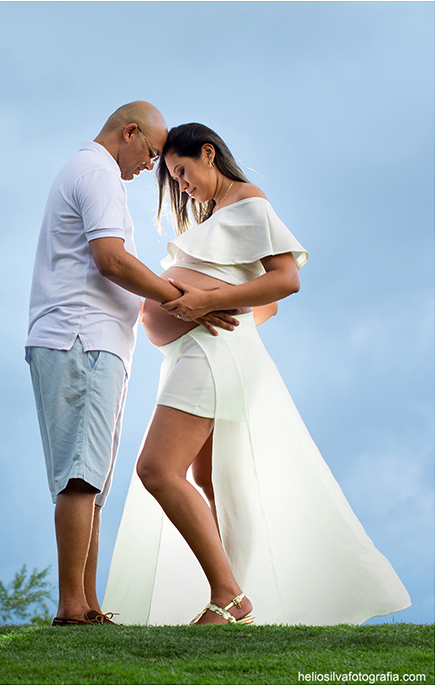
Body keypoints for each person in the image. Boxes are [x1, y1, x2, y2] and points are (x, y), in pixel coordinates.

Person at [101, 123, 411, 625]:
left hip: (210, 354)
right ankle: (223, 594)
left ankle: (229, 596)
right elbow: (258, 304)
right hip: (194, 353)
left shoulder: (249, 204)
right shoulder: (220, 214)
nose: (182, 185)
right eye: (174, 180)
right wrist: (200, 305)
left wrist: (207, 301)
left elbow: (285, 280)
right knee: (205, 476)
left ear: (208, 153)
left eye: (181, 171)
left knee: (157, 469)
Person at [26, 104, 240, 626]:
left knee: (91, 478)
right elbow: (111, 259)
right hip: (81, 339)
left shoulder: (92, 173)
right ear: (129, 132)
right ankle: (73, 608)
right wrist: (182, 296)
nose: (152, 167)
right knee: (81, 476)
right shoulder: (96, 172)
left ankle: (88, 604)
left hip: (94, 344)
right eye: (149, 153)